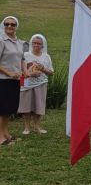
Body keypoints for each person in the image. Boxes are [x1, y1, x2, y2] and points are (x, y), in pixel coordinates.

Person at [18, 34, 54, 135]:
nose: (36, 45)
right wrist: (30, 74)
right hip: (26, 84)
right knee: (26, 106)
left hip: (41, 83)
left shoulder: (46, 57)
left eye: (39, 43)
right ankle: (27, 127)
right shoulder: (25, 55)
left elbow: (51, 72)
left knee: (39, 106)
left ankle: (37, 126)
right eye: (34, 43)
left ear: (43, 45)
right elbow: (19, 71)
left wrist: (43, 68)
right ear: (31, 43)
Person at [0, 16, 25, 145]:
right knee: (2, 109)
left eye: (12, 24)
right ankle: (0, 137)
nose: (9, 26)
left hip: (15, 80)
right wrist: (8, 72)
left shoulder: (19, 42)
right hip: (3, 80)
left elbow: (22, 59)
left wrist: (25, 72)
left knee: (9, 109)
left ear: (16, 26)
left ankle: (6, 133)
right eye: (7, 24)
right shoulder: (1, 41)